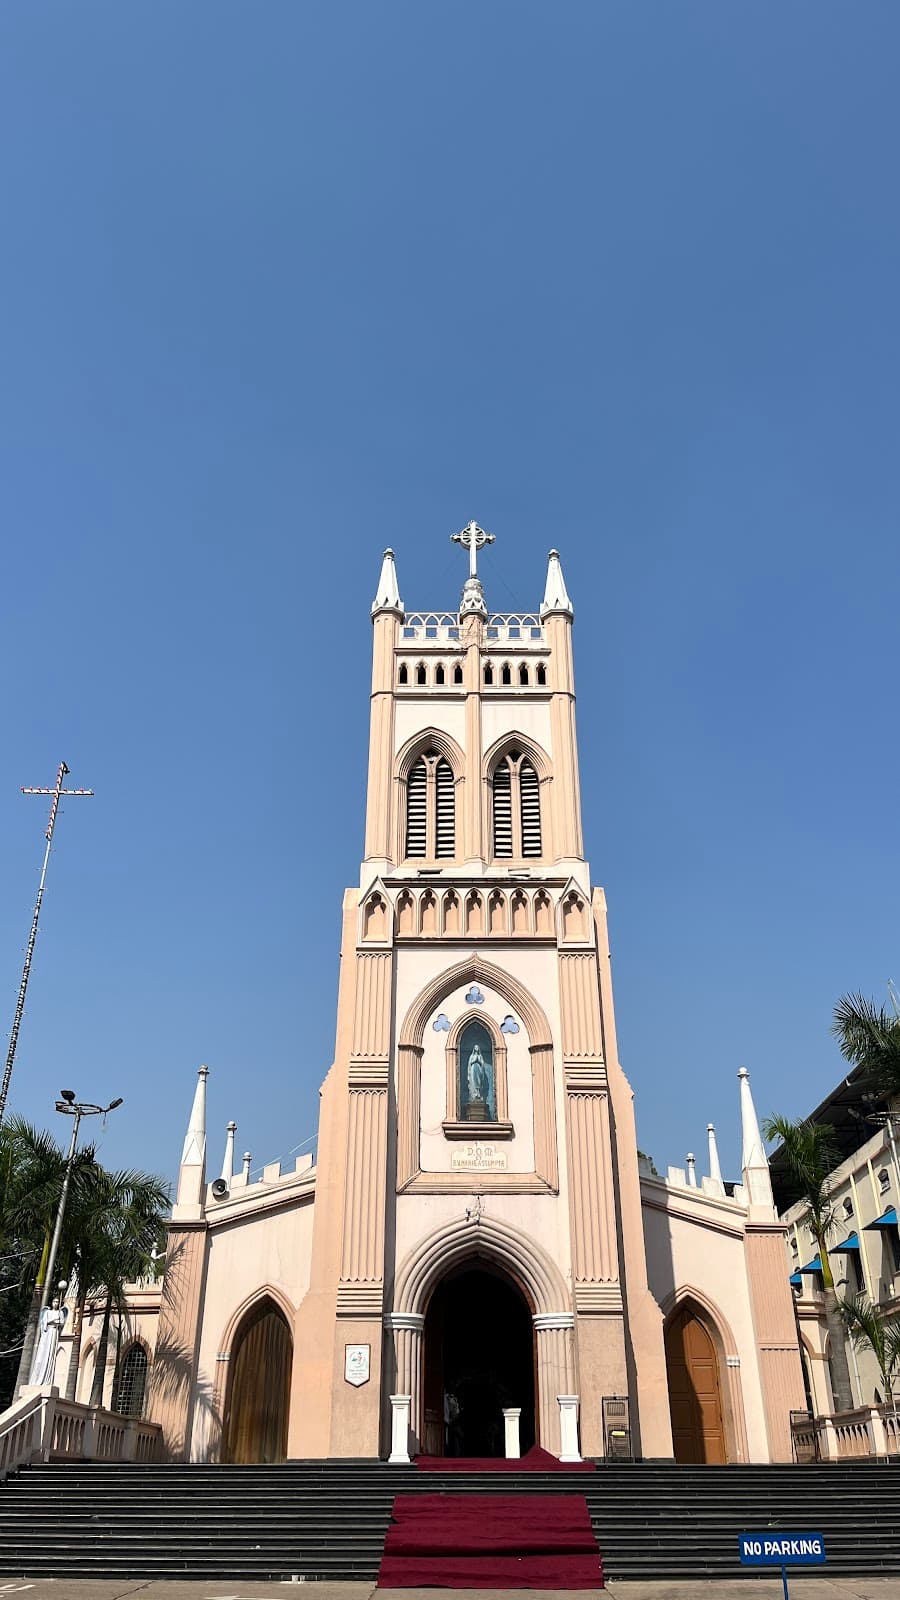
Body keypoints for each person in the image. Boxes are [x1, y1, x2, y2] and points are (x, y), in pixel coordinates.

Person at [29, 1298, 68, 1387]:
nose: (55, 1303)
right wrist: (52, 1321)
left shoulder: (60, 1313)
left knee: (51, 1353)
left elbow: (62, 1323)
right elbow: (44, 1323)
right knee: (43, 1353)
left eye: (57, 1302)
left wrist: (57, 1322)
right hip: (47, 1333)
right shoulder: (47, 1312)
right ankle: (38, 1379)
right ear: (52, 1303)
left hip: (54, 1332)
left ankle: (47, 1378)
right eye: (54, 1302)